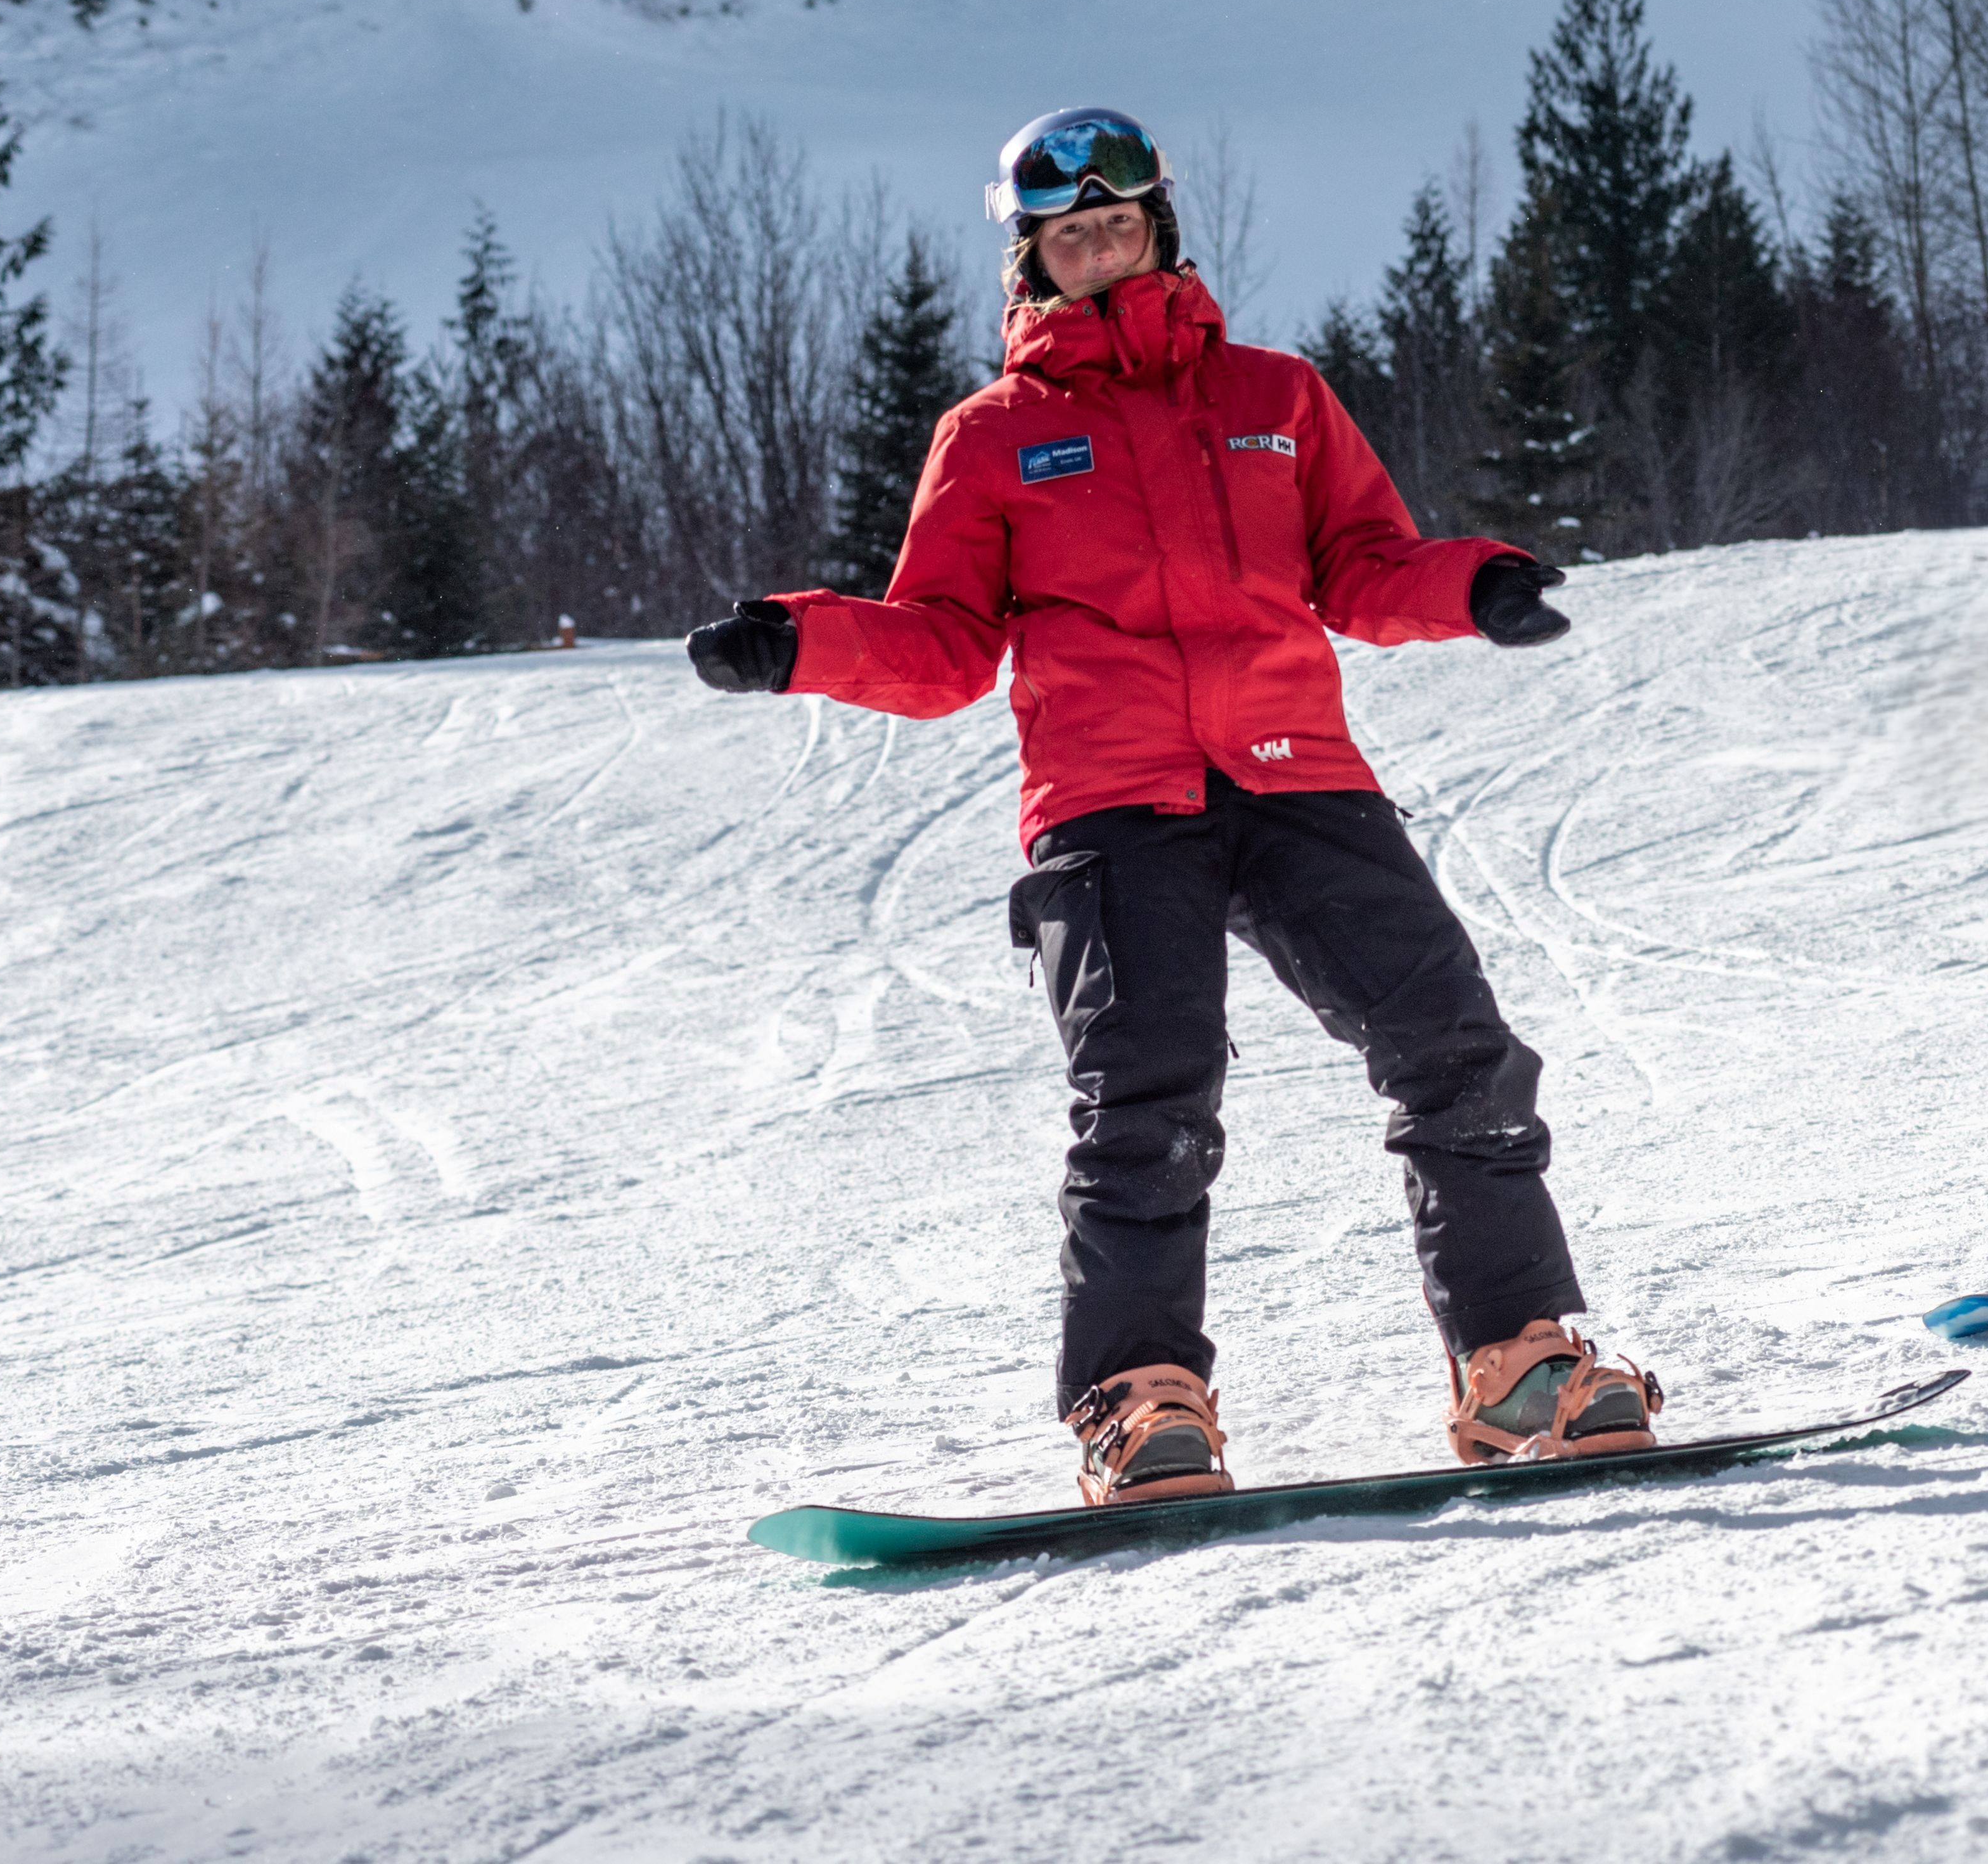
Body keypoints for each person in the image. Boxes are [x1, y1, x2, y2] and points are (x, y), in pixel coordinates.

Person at [683, 106, 1660, 1502]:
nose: (1098, 249)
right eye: (1070, 235)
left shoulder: (1277, 396)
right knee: (1148, 1098)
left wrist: (1476, 586)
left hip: (1297, 772)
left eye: (1118, 225)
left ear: (1159, 229)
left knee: (1456, 1050)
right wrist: (799, 643)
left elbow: (1362, 563)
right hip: (1111, 799)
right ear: (1032, 259)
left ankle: (1517, 1365)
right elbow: (945, 644)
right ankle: (1137, 1399)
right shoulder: (993, 436)